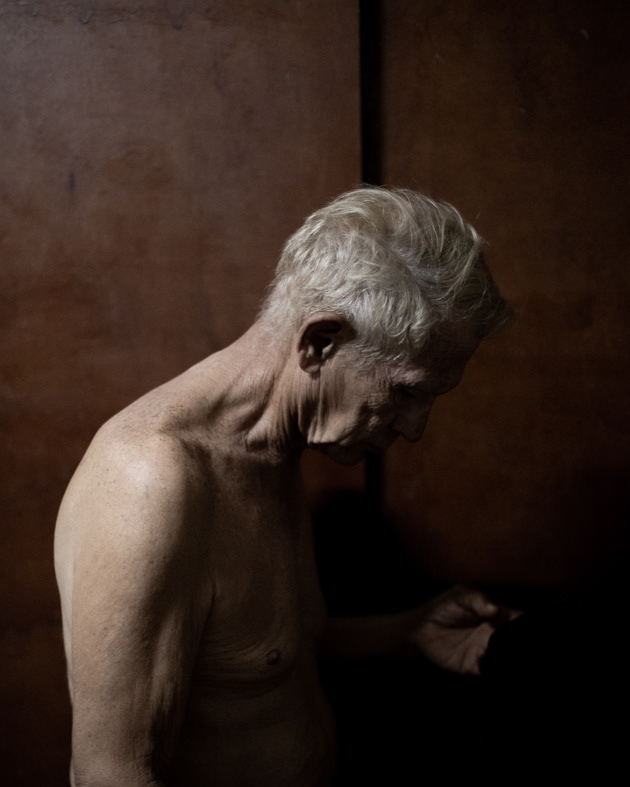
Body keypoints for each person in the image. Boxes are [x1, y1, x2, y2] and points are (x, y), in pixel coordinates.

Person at [54, 187, 515, 787]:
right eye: (406, 391)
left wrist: (406, 633)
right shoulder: (152, 481)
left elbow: (251, 655)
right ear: (319, 343)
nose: (416, 427)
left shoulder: (270, 447)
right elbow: (109, 774)